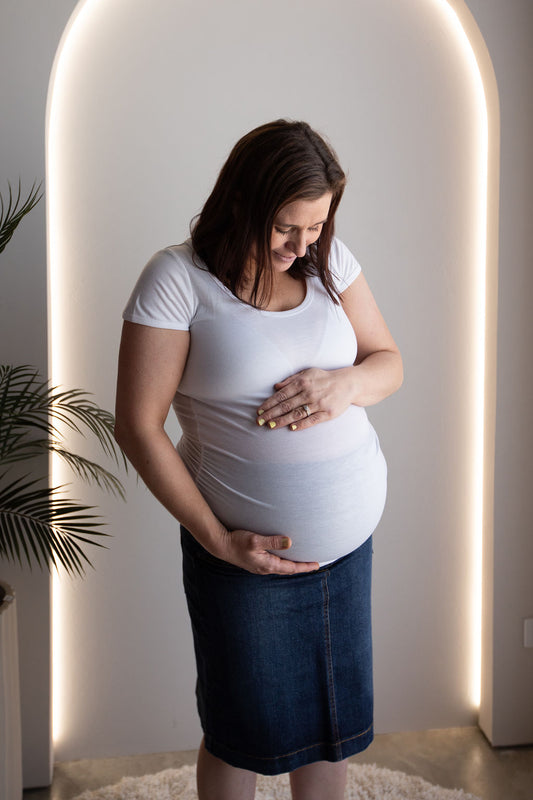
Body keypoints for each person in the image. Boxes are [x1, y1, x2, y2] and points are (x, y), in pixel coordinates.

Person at [114, 119, 403, 800]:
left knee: (331, 729)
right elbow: (136, 426)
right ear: (241, 200)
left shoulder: (330, 261)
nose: (302, 244)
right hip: (242, 558)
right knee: (239, 734)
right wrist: (216, 541)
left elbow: (388, 363)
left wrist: (345, 385)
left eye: (316, 227)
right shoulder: (176, 280)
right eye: (286, 228)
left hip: (346, 552)